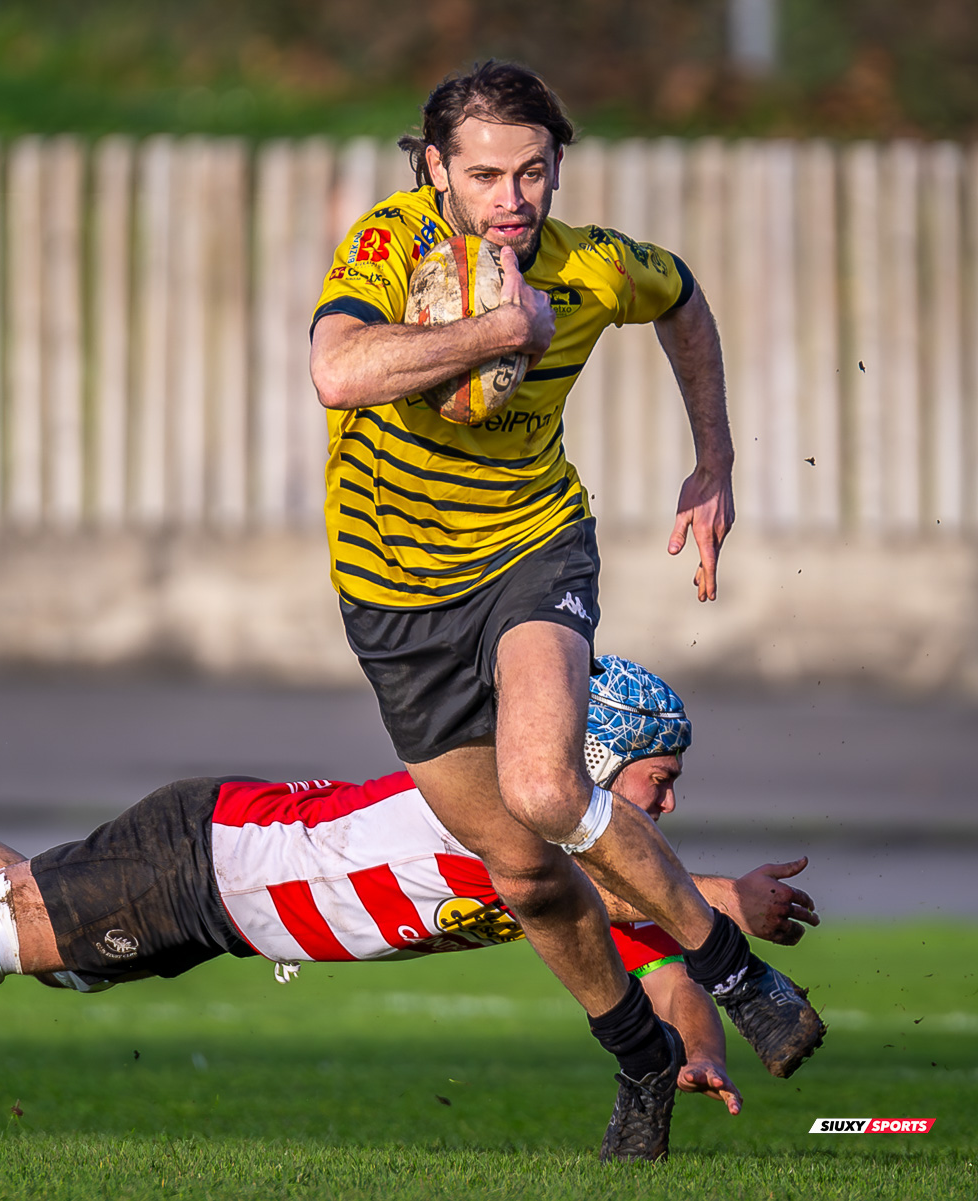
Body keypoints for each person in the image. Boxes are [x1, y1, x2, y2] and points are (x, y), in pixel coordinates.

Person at [0, 657, 820, 1162]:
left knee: (37, 954)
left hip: (218, 894)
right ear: (597, 754)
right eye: (660, 772)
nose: (672, 793)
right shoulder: (512, 797)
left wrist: (699, 1051)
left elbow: (653, 956)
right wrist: (732, 904)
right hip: (196, 864)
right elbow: (652, 904)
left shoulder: (582, 840)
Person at [303, 59, 822, 1148]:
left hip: (535, 548)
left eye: (533, 173)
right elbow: (339, 372)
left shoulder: (592, 264)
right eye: (485, 174)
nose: (512, 200)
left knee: (546, 786)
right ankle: (640, 1061)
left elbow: (682, 298)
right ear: (436, 167)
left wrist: (713, 460)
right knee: (528, 874)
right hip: (394, 594)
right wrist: (501, 334)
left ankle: (736, 974)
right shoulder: (389, 245)